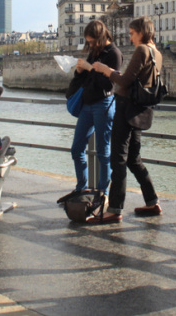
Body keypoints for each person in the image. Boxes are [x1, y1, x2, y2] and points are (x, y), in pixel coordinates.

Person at [90, 17, 162, 224]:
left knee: (118, 159)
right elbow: (139, 80)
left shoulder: (141, 51)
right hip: (141, 110)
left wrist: (106, 70)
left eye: (132, 33)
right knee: (133, 158)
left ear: (141, 32)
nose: (130, 38)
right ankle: (152, 201)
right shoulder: (157, 53)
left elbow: (123, 81)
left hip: (125, 108)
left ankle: (114, 209)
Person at [68, 20, 121, 197]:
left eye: (92, 41)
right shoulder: (94, 51)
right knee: (77, 148)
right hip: (87, 104)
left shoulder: (114, 54)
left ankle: (102, 192)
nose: (90, 45)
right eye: (88, 42)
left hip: (103, 104)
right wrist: (79, 71)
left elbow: (108, 84)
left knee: (103, 151)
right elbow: (83, 80)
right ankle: (81, 187)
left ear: (100, 37)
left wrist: (90, 68)